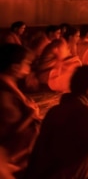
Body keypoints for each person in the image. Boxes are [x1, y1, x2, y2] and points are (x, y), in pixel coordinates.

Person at [0, 44, 41, 176]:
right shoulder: (4, 93)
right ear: (15, 67)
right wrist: (31, 114)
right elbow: (10, 132)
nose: (29, 66)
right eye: (27, 63)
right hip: (14, 151)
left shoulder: (9, 83)